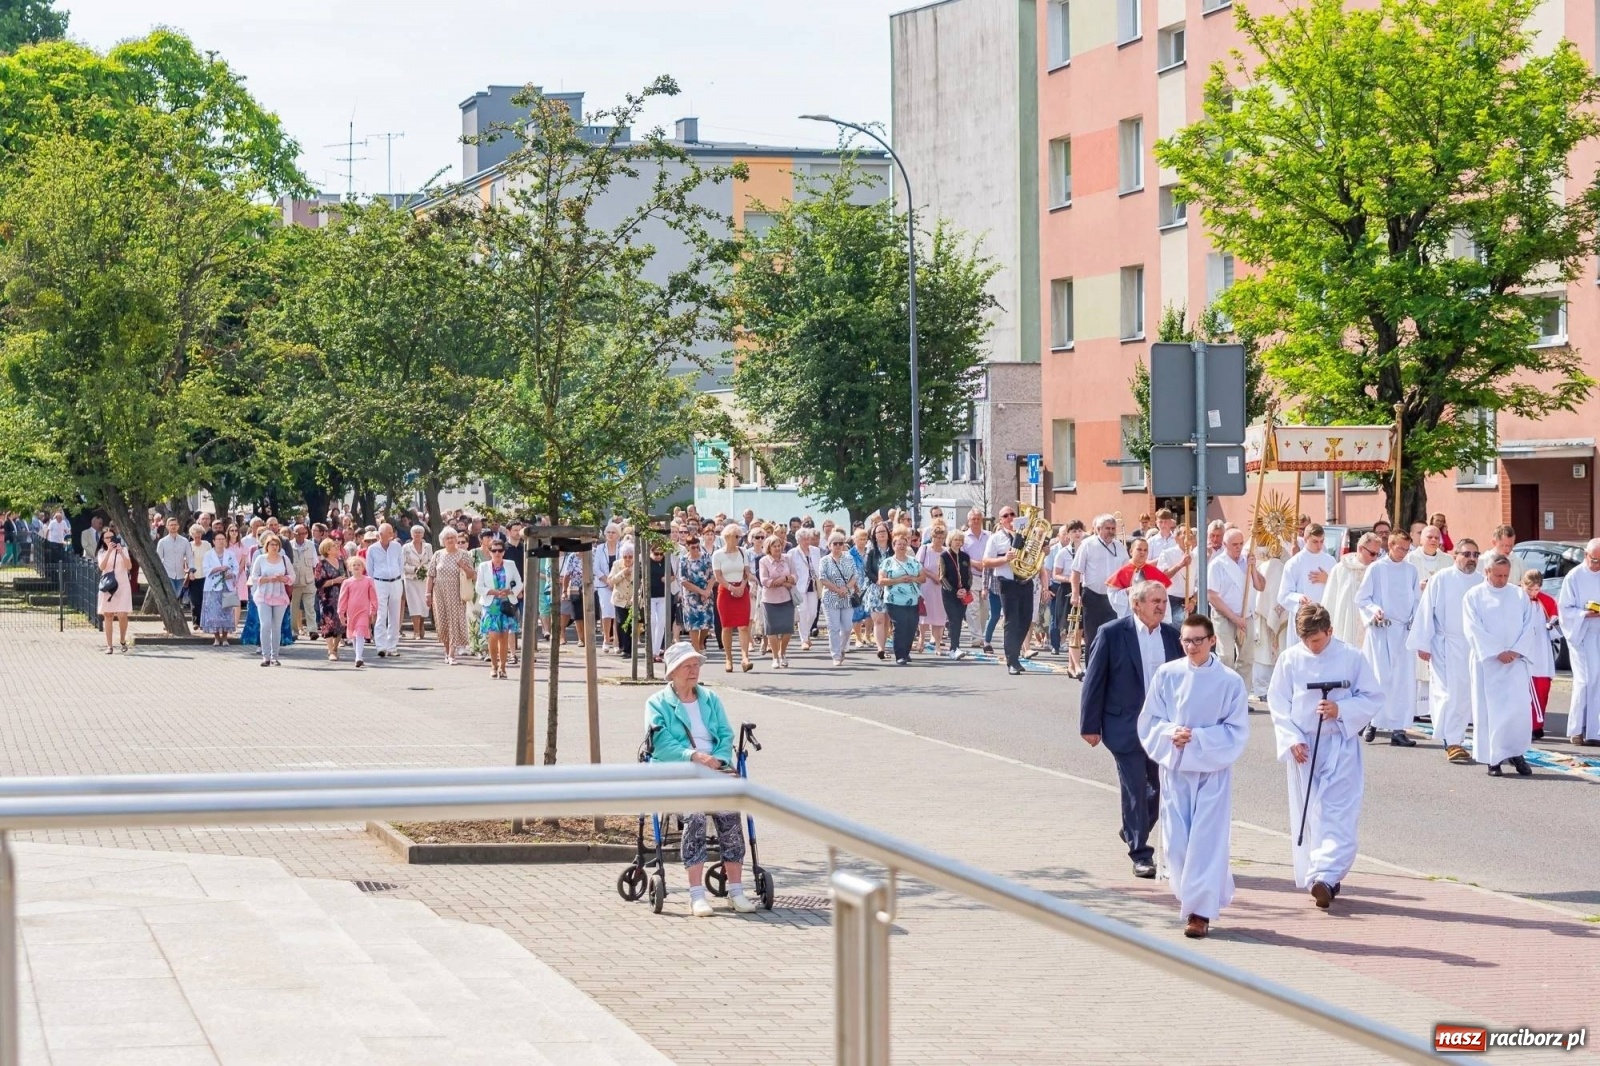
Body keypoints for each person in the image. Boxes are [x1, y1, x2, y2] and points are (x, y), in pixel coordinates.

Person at [1138, 612, 1250, 940]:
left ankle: (1199, 913)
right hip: (1176, 769)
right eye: (1186, 640)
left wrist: (1199, 739)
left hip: (1211, 772)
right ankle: (1198, 894)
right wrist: (1171, 733)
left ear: (1212, 640)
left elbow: (1237, 730)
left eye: (1198, 640)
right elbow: (1150, 719)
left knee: (1206, 841)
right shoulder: (1167, 674)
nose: (1191, 646)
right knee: (1176, 845)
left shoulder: (1229, 681)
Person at [1267, 603, 1383, 909]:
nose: (1311, 646)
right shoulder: (1290, 659)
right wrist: (1291, 738)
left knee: (1338, 811)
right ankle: (1319, 873)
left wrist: (1341, 710)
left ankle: (1325, 876)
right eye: (1305, 640)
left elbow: (1372, 696)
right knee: (1311, 811)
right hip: (1305, 746)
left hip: (1339, 743)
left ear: (1329, 632)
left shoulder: (1351, 657)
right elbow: (1278, 701)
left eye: (1316, 640)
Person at [644, 642, 756, 917]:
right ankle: (696, 895)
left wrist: (717, 759)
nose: (694, 670)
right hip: (678, 770)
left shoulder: (710, 699)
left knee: (730, 814)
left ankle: (736, 891)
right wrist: (694, 756)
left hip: (714, 768)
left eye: (696, 665)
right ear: (672, 671)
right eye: (687, 666)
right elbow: (661, 744)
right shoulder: (657, 703)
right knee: (694, 816)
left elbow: (726, 734)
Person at [1080, 581, 1183, 880]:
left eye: (1164, 601)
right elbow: (1094, 680)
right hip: (1123, 725)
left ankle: (1130, 830)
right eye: (1155, 601)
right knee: (1135, 788)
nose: (1162, 607)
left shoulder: (1172, 636)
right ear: (1136, 604)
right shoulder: (1112, 633)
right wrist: (1090, 725)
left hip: (1161, 726)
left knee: (1159, 788)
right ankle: (1141, 854)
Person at [1463, 552, 1544, 776]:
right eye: (1497, 575)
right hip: (1488, 663)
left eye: (1505, 575)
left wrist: (1516, 650)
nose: (1501, 579)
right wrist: (1497, 651)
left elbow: (1530, 625)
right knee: (1491, 712)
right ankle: (1493, 759)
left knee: (1517, 710)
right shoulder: (1474, 595)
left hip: (1515, 662)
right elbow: (1472, 627)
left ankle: (1516, 752)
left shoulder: (1519, 595)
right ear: (1487, 572)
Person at [1407, 540, 1483, 763]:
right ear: (1455, 555)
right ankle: (1451, 740)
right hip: (1445, 644)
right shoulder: (1442, 578)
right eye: (1467, 553)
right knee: (1448, 694)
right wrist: (1423, 643)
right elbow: (1426, 611)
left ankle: (1457, 738)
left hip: (1473, 647)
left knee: (1467, 695)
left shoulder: (1481, 581)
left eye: (1475, 554)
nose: (1471, 558)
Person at [1355, 533, 1421, 747]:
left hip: (1402, 631)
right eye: (1400, 548)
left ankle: (1399, 730)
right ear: (1390, 545)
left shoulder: (1411, 570)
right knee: (1379, 678)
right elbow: (1362, 598)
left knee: (1402, 681)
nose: (1403, 553)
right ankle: (1372, 722)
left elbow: (1417, 601)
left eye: (1407, 549)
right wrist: (1375, 611)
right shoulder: (1376, 568)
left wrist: (1413, 621)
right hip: (1381, 630)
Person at [1555, 537, 1600, 746]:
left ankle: (1594, 731)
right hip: (1581, 634)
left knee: (1597, 682)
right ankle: (1575, 729)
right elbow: (1564, 609)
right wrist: (1585, 614)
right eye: (1594, 560)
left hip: (1598, 634)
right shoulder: (1574, 577)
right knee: (1583, 681)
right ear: (1586, 556)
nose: (1597, 565)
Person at [980, 507, 1035, 675]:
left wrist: (1043, 551)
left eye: (1012, 514)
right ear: (1000, 520)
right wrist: (1004, 559)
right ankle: (1012, 660)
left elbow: (1035, 556)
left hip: (1026, 581)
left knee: (1026, 620)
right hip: (1008, 583)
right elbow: (986, 561)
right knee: (1012, 622)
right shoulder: (996, 538)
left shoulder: (1027, 535)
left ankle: (1014, 654)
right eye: (1006, 515)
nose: (1010, 517)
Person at [1207, 528, 1264, 687]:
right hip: (1224, 616)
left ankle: (1241, 696)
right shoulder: (1217, 565)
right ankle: (1224, 692)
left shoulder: (1248, 561)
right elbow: (1212, 596)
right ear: (1225, 544)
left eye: (1240, 543)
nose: (1238, 547)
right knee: (1225, 657)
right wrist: (1234, 618)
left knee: (1247, 658)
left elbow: (1260, 586)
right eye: (1234, 544)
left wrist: (1254, 569)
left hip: (1246, 615)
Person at [1070, 514, 1128, 663]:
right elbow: (1076, 571)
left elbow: (1127, 571)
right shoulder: (1088, 544)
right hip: (1093, 596)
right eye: (1107, 528)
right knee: (1092, 635)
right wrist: (1075, 594)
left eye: (1113, 528)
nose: (1111, 531)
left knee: (1113, 635)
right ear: (1098, 529)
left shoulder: (1120, 547)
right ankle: (1091, 668)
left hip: (1114, 597)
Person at [1277, 524, 1336, 650]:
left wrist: (1328, 580)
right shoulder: (1294, 563)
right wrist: (1299, 598)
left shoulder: (1330, 561)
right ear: (1305, 539)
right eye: (1315, 541)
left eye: (1322, 541)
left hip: (1325, 617)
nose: (1319, 546)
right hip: (1304, 617)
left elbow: (1339, 588)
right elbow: (1283, 595)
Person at [427, 529, 476, 666]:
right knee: (443, 623)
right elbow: (431, 575)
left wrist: (463, 566)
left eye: (452, 537)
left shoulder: (464, 555)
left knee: (454, 622)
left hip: (456, 593)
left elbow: (473, 575)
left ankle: (452, 654)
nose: (450, 540)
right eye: (447, 538)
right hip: (439, 593)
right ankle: (446, 651)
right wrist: (428, 593)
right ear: (443, 540)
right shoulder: (437, 554)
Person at [476, 539, 523, 680]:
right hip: (491, 605)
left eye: (500, 550)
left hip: (506, 605)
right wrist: (493, 592)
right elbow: (478, 587)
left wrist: (510, 591)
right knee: (493, 636)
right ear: (489, 552)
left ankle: (503, 667)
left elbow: (520, 583)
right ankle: (493, 666)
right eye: (494, 550)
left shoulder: (510, 564)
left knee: (504, 637)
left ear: (504, 552)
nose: (497, 553)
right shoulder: (483, 566)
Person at [1325, 532, 1380, 648]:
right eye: (1372, 554)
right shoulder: (1341, 569)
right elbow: (1329, 600)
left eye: (1377, 554)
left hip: (1371, 628)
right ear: (1360, 549)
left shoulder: (1378, 571)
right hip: (1347, 628)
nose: (1375, 558)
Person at [1522, 568, 1557, 742]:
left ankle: (1538, 725)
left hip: (1542, 651)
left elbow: (1558, 626)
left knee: (1542, 688)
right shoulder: (1518, 600)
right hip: (1525, 651)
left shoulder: (1547, 601)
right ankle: (1530, 725)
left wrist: (1553, 624)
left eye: (1537, 589)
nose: (1534, 593)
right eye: (1530, 589)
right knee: (1528, 690)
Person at [712, 524, 753, 673]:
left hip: (742, 589)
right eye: (735, 536)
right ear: (727, 537)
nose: (738, 539)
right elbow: (718, 576)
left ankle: (745, 658)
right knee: (727, 626)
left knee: (743, 625)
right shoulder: (718, 554)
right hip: (725, 591)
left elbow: (746, 572)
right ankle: (728, 658)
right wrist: (731, 588)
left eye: (739, 536)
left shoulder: (743, 552)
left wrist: (742, 586)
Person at [249, 534, 294, 667]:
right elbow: (254, 577)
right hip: (263, 595)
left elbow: (292, 576)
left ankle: (275, 656)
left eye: (276, 545)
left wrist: (283, 578)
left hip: (279, 595)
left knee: (276, 626)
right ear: (266, 546)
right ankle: (265, 656)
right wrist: (268, 579)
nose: (274, 547)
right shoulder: (260, 559)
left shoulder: (284, 559)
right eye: (271, 544)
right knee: (265, 625)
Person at [818, 532, 863, 666]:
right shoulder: (824, 560)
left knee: (848, 627)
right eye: (835, 543)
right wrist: (837, 589)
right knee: (834, 628)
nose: (838, 546)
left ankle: (842, 648)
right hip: (831, 598)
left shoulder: (848, 558)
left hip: (847, 597)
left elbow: (855, 575)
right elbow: (823, 578)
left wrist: (846, 587)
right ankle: (836, 655)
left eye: (840, 543)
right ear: (830, 545)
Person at [366, 523, 406, 659]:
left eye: (392, 532)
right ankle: (381, 646)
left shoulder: (397, 546)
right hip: (379, 582)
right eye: (388, 532)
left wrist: (399, 579)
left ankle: (392, 646)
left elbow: (401, 564)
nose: (392, 535)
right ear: (380, 535)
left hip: (395, 582)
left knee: (394, 615)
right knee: (381, 614)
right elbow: (370, 569)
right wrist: (372, 585)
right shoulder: (372, 549)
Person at [756, 535, 796, 668]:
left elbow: (794, 576)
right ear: (769, 548)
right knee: (772, 630)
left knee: (788, 629)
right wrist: (783, 583)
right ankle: (774, 657)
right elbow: (764, 581)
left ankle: (782, 653)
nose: (778, 548)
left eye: (779, 545)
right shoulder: (763, 561)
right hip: (770, 600)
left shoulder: (788, 559)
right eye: (774, 546)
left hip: (787, 598)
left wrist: (784, 578)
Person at [1106, 537, 1171, 618]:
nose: (1142, 553)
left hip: (1151, 615)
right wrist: (1127, 591)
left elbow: (1163, 596)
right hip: (1130, 615)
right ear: (1131, 551)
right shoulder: (1123, 571)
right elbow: (1112, 595)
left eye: (1145, 550)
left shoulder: (1154, 572)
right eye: (1139, 549)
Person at [94, 531, 133, 655]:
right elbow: (102, 567)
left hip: (122, 585)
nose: (110, 539)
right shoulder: (101, 552)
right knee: (108, 614)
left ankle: (122, 639)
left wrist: (120, 552)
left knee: (122, 614)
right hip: (109, 586)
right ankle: (109, 645)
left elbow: (129, 566)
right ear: (103, 539)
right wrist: (110, 551)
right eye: (107, 538)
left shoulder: (123, 550)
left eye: (112, 537)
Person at [199, 530, 239, 646]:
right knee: (214, 613)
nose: (221, 542)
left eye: (223, 539)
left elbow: (235, 568)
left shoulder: (230, 554)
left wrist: (231, 574)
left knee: (227, 612)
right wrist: (218, 568)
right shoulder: (208, 554)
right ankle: (216, 637)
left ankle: (225, 637)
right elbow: (206, 569)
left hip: (227, 585)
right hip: (212, 587)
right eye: (218, 539)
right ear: (213, 541)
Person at [338, 554, 378, 668]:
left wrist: (373, 610)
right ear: (350, 568)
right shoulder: (347, 582)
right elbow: (343, 598)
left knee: (360, 632)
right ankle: (358, 655)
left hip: (364, 611)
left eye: (359, 565)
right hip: (351, 612)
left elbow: (373, 596)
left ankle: (359, 657)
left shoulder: (368, 580)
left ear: (363, 567)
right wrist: (341, 613)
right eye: (354, 565)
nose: (356, 567)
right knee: (354, 635)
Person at [940, 529, 973, 660]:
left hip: (963, 594)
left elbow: (969, 575)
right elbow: (942, 577)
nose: (958, 542)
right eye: (956, 540)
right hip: (949, 594)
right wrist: (955, 591)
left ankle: (955, 646)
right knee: (953, 619)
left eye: (960, 540)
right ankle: (954, 648)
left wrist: (965, 589)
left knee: (959, 619)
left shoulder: (966, 557)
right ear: (950, 541)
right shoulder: (944, 556)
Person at [678, 534, 714, 653]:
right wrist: (700, 591)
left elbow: (713, 575)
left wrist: (707, 591)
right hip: (691, 596)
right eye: (693, 547)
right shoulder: (684, 560)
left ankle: (701, 642)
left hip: (706, 594)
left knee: (706, 623)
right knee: (693, 624)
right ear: (688, 547)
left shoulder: (706, 557)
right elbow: (683, 580)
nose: (696, 549)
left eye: (697, 547)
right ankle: (696, 649)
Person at [917, 524, 950, 656]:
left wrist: (941, 578)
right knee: (925, 614)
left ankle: (938, 645)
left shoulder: (946, 552)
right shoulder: (925, 549)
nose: (940, 539)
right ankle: (922, 639)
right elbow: (919, 566)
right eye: (937, 537)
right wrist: (933, 576)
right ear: (932, 537)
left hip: (941, 587)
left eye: (942, 537)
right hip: (927, 585)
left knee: (939, 616)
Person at [313, 538, 347, 662]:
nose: (337, 547)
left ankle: (335, 648)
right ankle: (330, 650)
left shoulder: (341, 561)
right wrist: (334, 581)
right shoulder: (321, 564)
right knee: (328, 624)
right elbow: (318, 583)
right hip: (327, 598)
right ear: (327, 549)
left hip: (342, 596)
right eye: (333, 546)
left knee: (341, 623)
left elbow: (347, 577)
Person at [788, 529, 822, 653]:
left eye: (808, 539)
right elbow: (791, 569)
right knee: (803, 611)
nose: (807, 541)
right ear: (798, 540)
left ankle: (806, 633)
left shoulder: (816, 551)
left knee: (813, 613)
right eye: (804, 539)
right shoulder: (793, 553)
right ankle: (804, 639)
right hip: (800, 586)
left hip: (813, 585)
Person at [402, 525, 434, 642]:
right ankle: (416, 631)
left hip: (424, 579)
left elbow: (431, 561)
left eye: (420, 532)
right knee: (414, 603)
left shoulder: (428, 546)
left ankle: (421, 626)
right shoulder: (406, 547)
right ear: (411, 534)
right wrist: (414, 569)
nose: (417, 534)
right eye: (415, 532)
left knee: (423, 604)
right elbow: (403, 564)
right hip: (411, 579)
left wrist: (423, 569)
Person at [155, 517, 193, 601]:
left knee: (177, 594)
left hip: (180, 574)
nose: (173, 527)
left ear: (178, 526)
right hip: (168, 573)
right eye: (171, 525)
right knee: (172, 595)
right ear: (167, 526)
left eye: (175, 525)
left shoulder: (184, 541)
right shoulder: (162, 542)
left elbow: (190, 556)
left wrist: (191, 570)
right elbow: (158, 558)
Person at [184, 523, 209, 628]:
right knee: (194, 600)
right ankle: (196, 622)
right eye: (195, 536)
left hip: (205, 576)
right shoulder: (189, 545)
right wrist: (189, 572)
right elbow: (185, 561)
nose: (197, 538)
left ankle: (203, 622)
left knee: (204, 600)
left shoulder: (207, 544)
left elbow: (210, 558)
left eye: (199, 536)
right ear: (192, 535)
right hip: (193, 576)